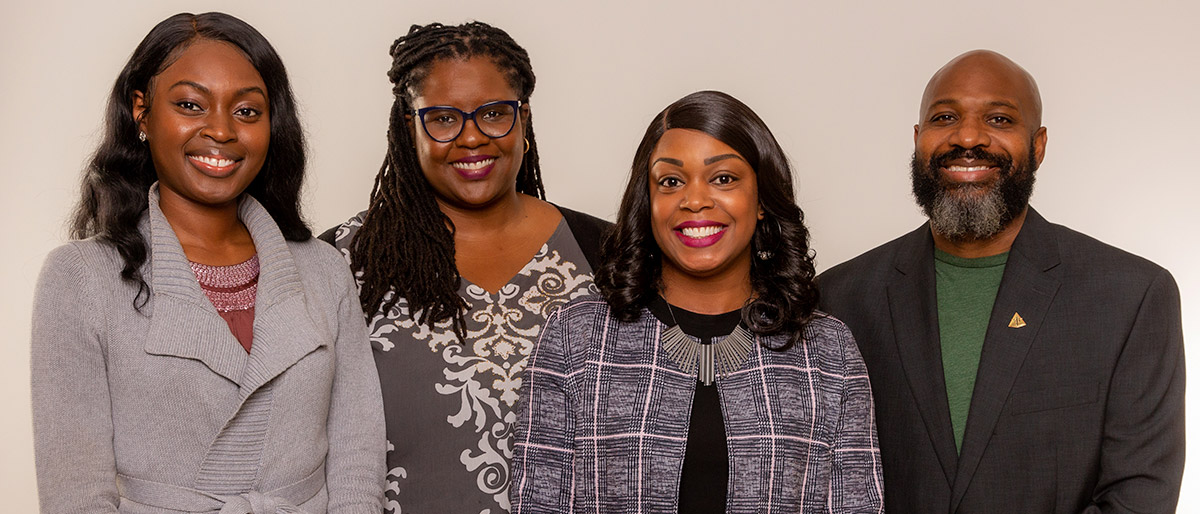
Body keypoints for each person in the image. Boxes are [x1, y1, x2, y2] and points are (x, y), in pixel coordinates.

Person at [30, 12, 385, 513]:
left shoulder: (324, 270)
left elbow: (357, 463)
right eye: (190, 105)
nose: (220, 130)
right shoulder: (79, 279)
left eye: (246, 111)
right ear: (141, 112)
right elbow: (75, 494)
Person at [818, 50, 1185, 513]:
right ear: (918, 139)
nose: (967, 136)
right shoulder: (839, 299)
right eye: (945, 117)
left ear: (1039, 145)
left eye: (999, 118)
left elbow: (1139, 495)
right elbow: (813, 482)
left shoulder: (1131, 297)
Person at [510, 90, 883, 513]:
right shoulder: (574, 337)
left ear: (761, 200)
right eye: (670, 181)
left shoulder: (828, 351)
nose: (694, 200)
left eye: (723, 178)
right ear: (647, 202)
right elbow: (539, 503)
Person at [320, 22, 610, 513]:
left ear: (524, 119)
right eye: (443, 118)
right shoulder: (340, 263)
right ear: (408, 122)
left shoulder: (609, 253)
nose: (472, 138)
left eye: (494, 114)